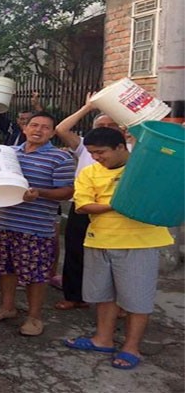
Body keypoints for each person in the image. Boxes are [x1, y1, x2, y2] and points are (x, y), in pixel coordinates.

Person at [63, 128, 173, 370]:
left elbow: (161, 195)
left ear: (121, 148)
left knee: (137, 300)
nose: (96, 158)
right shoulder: (89, 172)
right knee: (103, 296)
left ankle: (131, 347)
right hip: (98, 241)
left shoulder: (145, 170)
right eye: (92, 153)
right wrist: (120, 203)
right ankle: (102, 339)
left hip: (139, 243)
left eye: (101, 152)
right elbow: (83, 205)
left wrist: (109, 203)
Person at [0, 112, 75, 336]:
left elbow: (67, 191)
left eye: (44, 127)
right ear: (24, 128)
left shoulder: (60, 158)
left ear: (52, 133)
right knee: (5, 269)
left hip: (35, 227)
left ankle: (34, 317)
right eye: (34, 125)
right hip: (2, 222)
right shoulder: (8, 153)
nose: (38, 130)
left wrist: (39, 192)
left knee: (36, 275)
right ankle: (7, 307)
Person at [54, 93, 124, 311]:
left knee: (118, 258)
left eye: (112, 125)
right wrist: (87, 108)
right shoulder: (85, 146)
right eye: (101, 125)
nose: (107, 128)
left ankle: (121, 303)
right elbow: (61, 130)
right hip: (83, 204)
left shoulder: (128, 149)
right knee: (75, 251)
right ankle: (74, 296)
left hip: (117, 210)